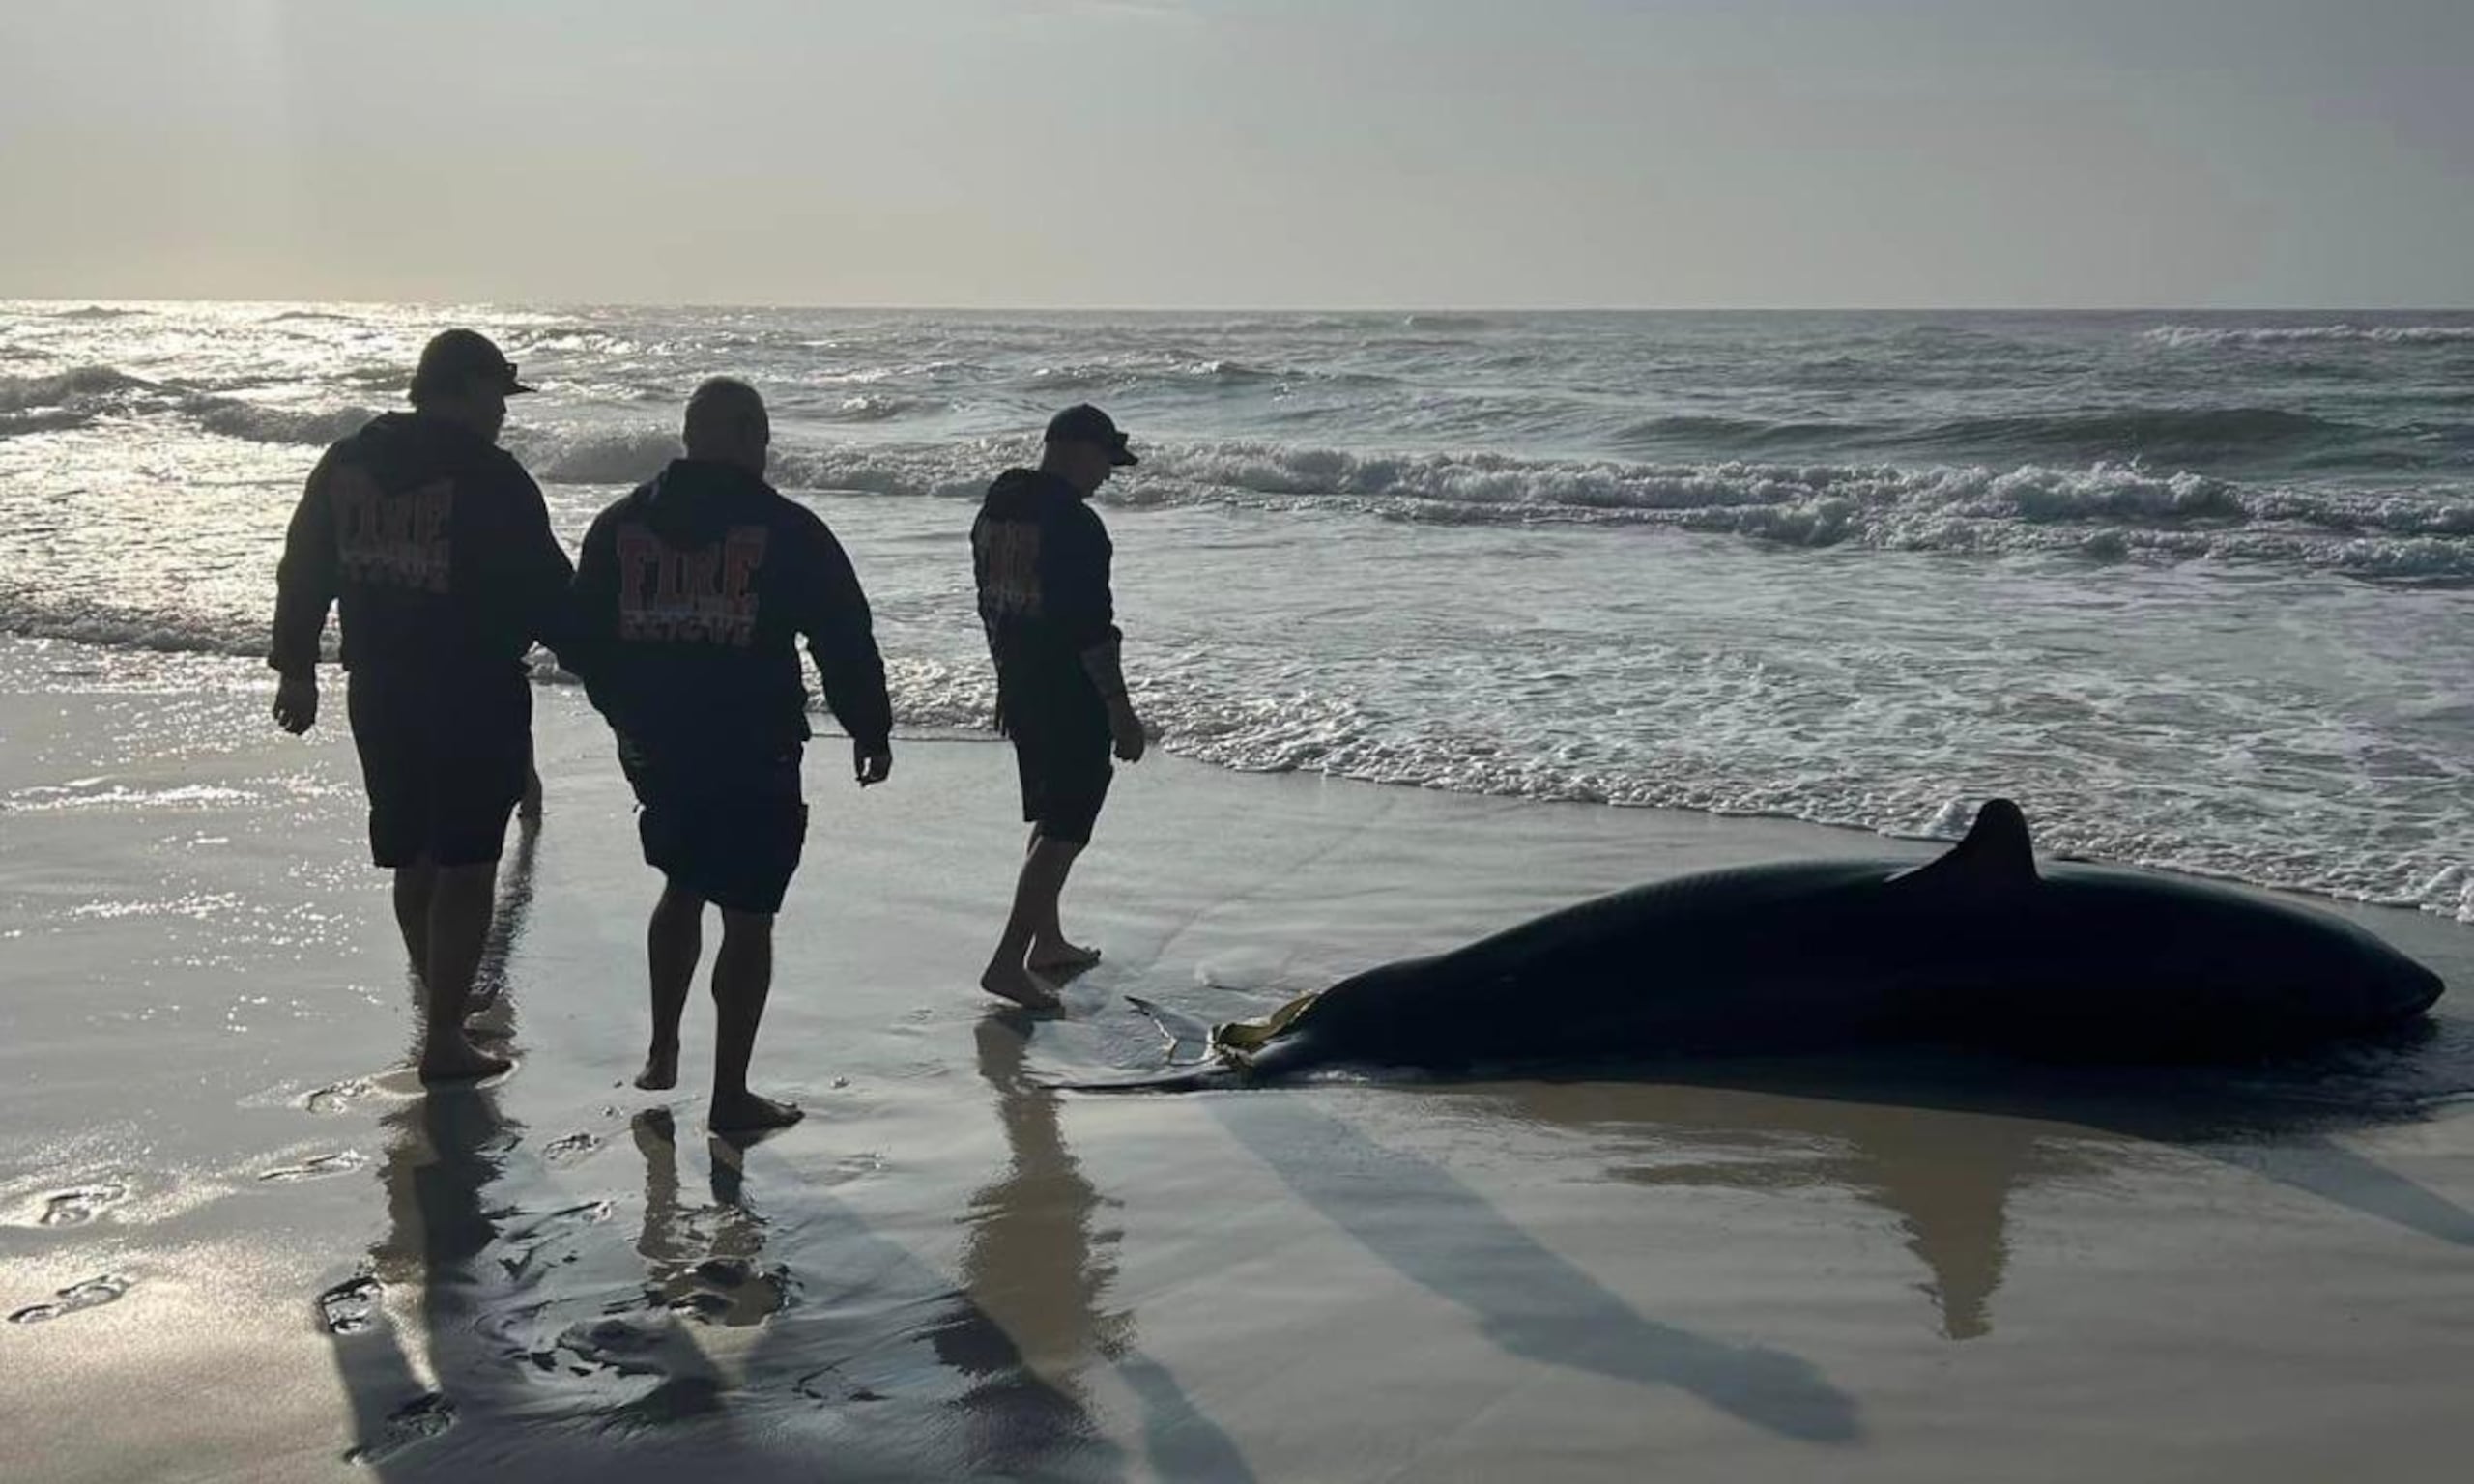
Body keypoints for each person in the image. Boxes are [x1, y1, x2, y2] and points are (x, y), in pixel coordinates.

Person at [568, 378, 892, 1132]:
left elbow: (582, 637)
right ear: (747, 435)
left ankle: (662, 1048)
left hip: (659, 747)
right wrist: (869, 727)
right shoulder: (785, 529)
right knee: (749, 915)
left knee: (682, 883)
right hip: (753, 743)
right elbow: (843, 637)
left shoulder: (619, 525)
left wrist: (626, 715)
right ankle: (730, 1095)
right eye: (765, 438)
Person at [270, 328, 571, 1082]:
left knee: (413, 853)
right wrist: (623, 672)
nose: (503, 413)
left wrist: (297, 669)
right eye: (497, 395)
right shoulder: (492, 477)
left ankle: (439, 1004)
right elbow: (548, 592)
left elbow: (303, 566)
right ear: (464, 387)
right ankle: (443, 1033)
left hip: (379, 689)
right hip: (471, 690)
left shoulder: (348, 462)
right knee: (468, 863)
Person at [971, 404, 1150, 1010]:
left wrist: (1007, 677)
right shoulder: (1076, 526)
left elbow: (990, 601)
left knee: (1050, 819)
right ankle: (1006, 961)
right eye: (1105, 461)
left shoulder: (996, 511)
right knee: (1066, 828)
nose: (1106, 476)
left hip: (1019, 681)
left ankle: (1045, 942)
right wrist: (1120, 711)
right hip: (1067, 690)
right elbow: (1092, 631)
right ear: (1074, 449)